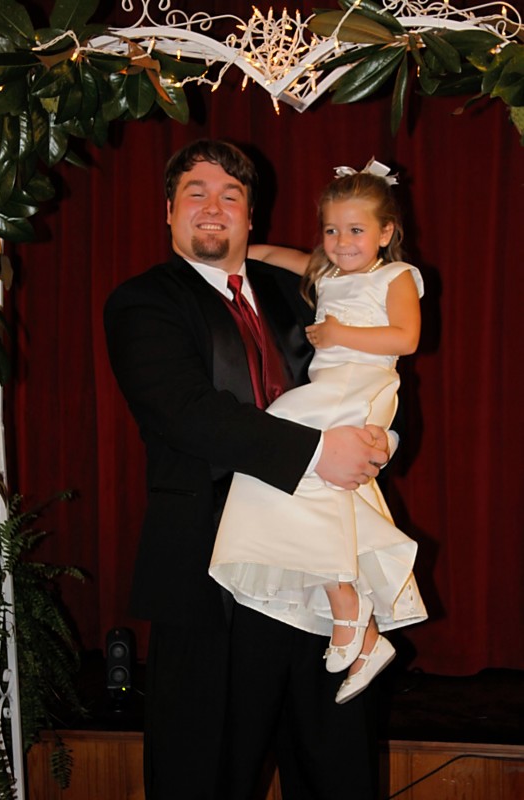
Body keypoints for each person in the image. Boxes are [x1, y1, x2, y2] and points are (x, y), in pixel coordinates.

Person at [104, 140, 391, 800]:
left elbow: (365, 373)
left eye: (230, 195)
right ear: (167, 212)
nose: (213, 206)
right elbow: (185, 411)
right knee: (205, 778)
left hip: (322, 582)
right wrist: (319, 453)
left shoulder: (299, 294)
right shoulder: (144, 301)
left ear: (250, 217)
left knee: (339, 774)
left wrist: (382, 436)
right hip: (212, 584)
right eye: (196, 193)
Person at [210, 160, 427, 705]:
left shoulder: (394, 276)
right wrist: (238, 253)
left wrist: (338, 331)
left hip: (361, 387)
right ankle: (358, 621)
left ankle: (352, 611)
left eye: (356, 230)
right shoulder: (325, 272)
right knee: (302, 486)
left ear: (385, 233)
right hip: (329, 392)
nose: (341, 242)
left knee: (284, 455)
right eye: (331, 230)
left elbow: (406, 338)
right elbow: (282, 256)